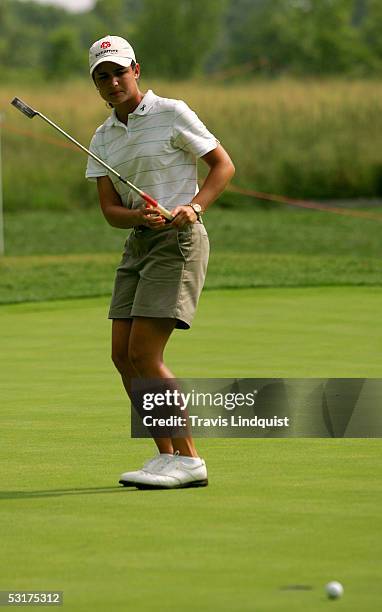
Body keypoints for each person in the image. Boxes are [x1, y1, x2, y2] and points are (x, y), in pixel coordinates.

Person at [86, 35, 235, 489]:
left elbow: (222, 166)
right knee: (121, 354)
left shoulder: (172, 112)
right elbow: (111, 211)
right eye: (102, 76)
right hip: (139, 242)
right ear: (96, 84)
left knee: (145, 353)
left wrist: (194, 206)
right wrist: (138, 216)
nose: (113, 82)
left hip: (179, 239)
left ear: (136, 69)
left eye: (118, 71)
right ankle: (166, 454)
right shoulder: (102, 137)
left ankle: (189, 459)